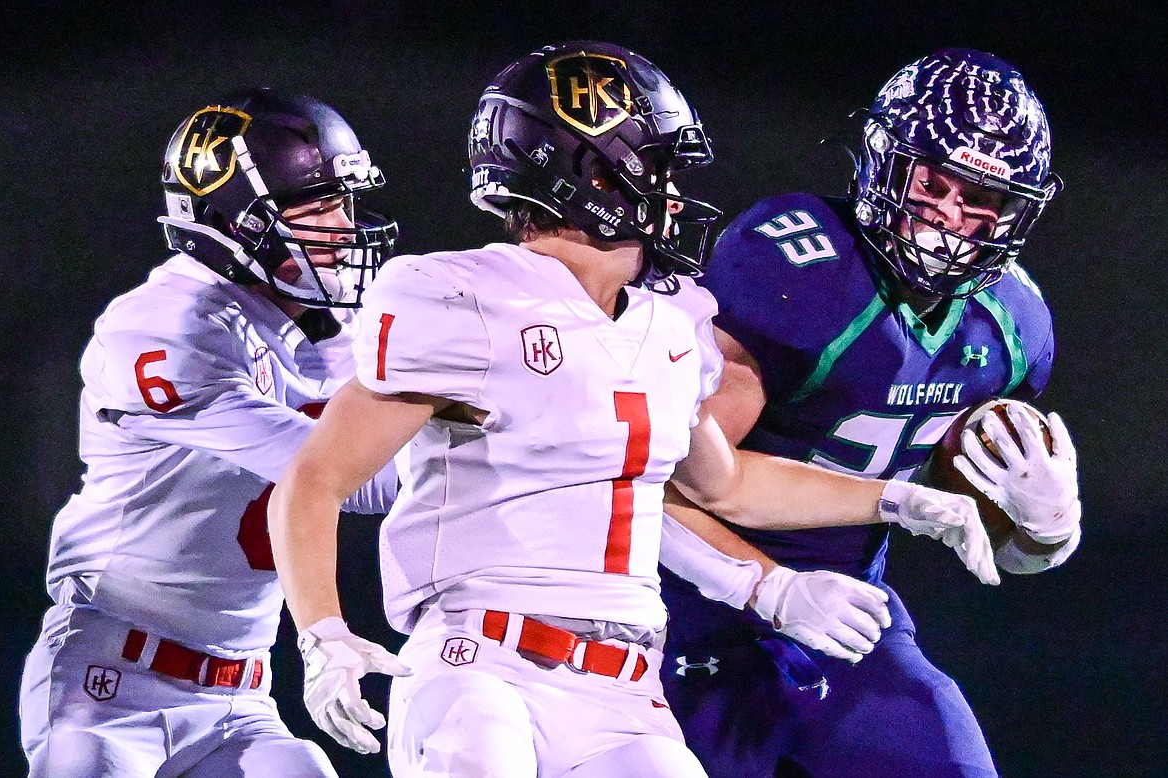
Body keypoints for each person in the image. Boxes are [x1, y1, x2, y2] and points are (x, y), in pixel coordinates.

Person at [266, 41, 999, 778]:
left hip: (623, 690)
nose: (675, 195)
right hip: (479, 663)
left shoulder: (666, 327)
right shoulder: (468, 298)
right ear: (589, 174)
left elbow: (726, 487)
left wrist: (896, 501)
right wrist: (323, 635)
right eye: (659, 168)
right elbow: (316, 478)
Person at [658, 48, 1082, 778]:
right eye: (934, 183)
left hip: (848, 622)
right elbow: (672, 480)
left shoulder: (1012, 323)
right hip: (679, 615)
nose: (950, 217)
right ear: (887, 162)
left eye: (981, 199)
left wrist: (1048, 530)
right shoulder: (801, 269)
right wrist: (770, 585)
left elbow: (993, 546)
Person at [18, 89, 401, 778]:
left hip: (242, 698)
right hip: (106, 682)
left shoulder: (338, 327)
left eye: (344, 201)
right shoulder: (167, 328)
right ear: (235, 223)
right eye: (317, 205)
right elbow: (352, 478)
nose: (343, 226)